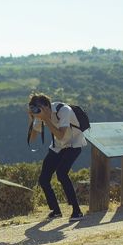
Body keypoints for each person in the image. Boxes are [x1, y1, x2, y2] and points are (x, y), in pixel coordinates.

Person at [27, 93, 87, 221]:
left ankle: (77, 210)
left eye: (39, 108)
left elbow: (60, 135)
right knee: (44, 179)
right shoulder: (40, 116)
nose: (39, 112)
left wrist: (46, 119)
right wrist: (33, 119)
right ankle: (55, 210)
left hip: (74, 143)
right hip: (58, 146)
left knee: (61, 173)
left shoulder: (64, 110)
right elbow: (32, 138)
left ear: (47, 106)